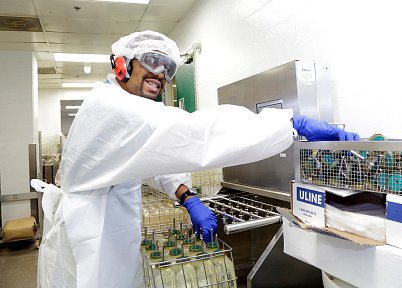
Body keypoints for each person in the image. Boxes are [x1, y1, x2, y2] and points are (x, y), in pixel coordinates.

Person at [31, 30, 359, 288]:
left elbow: (154, 156)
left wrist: (187, 197)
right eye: (151, 61)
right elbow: (195, 134)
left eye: (169, 69)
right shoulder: (113, 108)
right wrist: (290, 124)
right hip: (88, 247)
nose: (161, 74)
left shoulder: (124, 109)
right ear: (122, 64)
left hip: (103, 235)